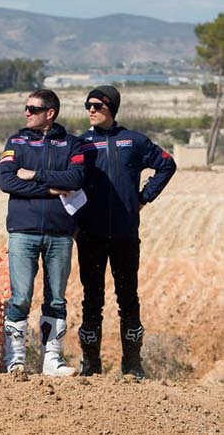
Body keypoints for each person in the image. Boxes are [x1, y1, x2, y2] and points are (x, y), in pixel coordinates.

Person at [76, 85, 176, 379]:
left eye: (97, 105)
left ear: (111, 109)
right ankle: (91, 364)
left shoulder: (134, 141)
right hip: (90, 235)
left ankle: (132, 364)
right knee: (91, 299)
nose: (91, 110)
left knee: (128, 298)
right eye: (88, 105)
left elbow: (167, 165)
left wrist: (144, 197)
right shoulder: (80, 143)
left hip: (125, 235)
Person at [0, 89, 85, 375]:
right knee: (21, 296)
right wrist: (49, 188)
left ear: (50, 113)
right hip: (23, 230)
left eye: (33, 109)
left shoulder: (72, 144)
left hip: (60, 233)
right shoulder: (17, 141)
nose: (27, 113)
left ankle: (52, 361)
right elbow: (8, 182)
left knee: (57, 298)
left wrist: (34, 174)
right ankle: (16, 359)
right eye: (26, 108)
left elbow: (75, 179)